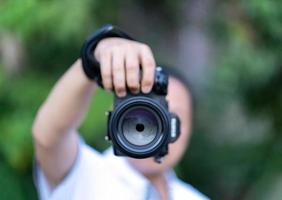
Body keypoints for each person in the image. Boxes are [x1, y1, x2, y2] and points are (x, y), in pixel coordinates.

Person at [32, 27, 209, 200]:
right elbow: (48, 137)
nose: (156, 125)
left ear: (187, 128)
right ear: (118, 116)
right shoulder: (84, 175)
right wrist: (93, 60)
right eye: (146, 112)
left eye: (173, 115)